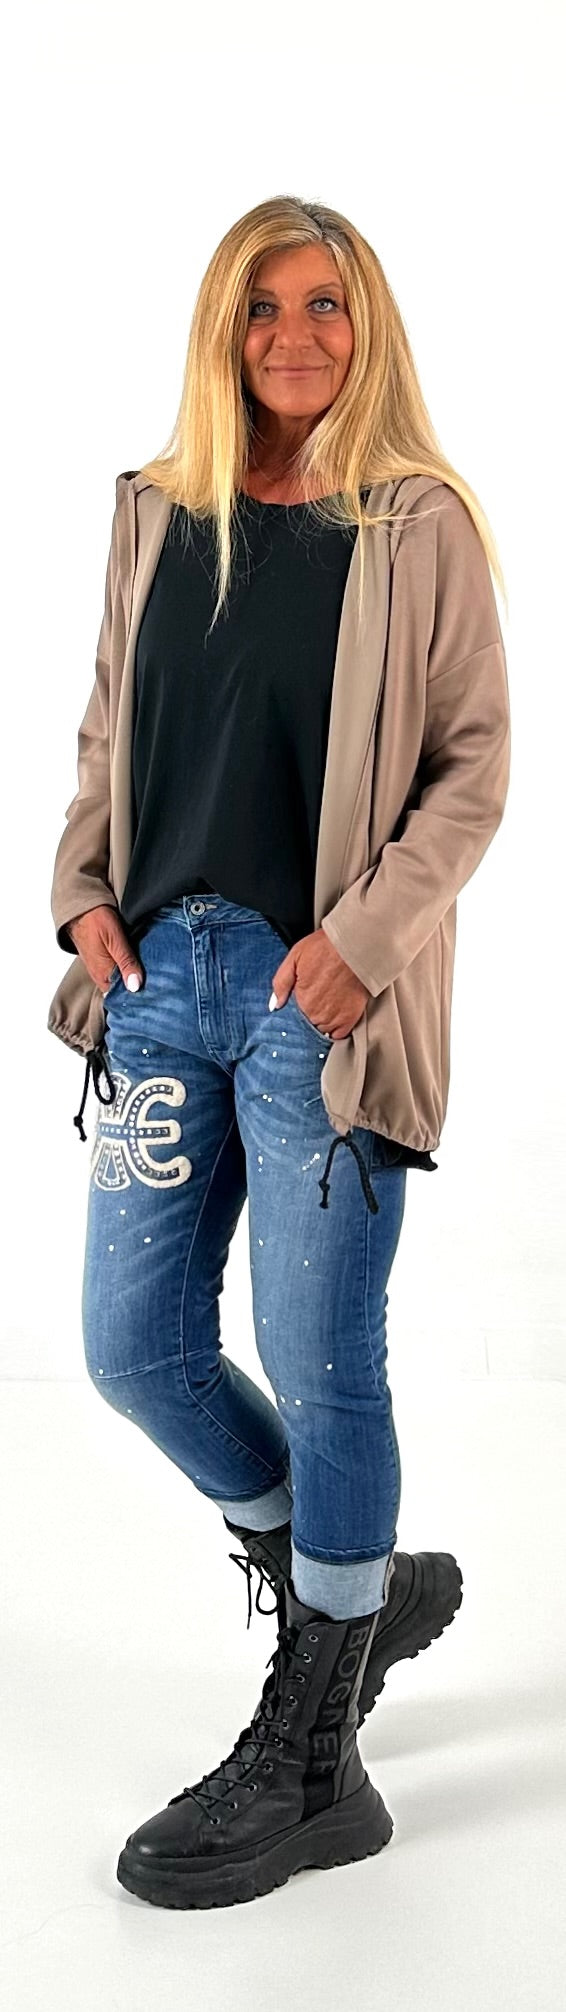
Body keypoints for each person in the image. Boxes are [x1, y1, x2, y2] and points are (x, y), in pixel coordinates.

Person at [47, 195, 510, 1911]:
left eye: (323, 305)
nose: (292, 337)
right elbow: (110, 723)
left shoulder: (415, 522)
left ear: (363, 325)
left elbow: (470, 767)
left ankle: (317, 1760)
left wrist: (359, 947)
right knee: (134, 1350)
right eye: (260, 306)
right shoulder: (153, 511)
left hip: (325, 1005)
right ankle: (352, 1588)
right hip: (158, 985)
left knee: (320, 1367)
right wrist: (82, 893)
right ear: (221, 329)